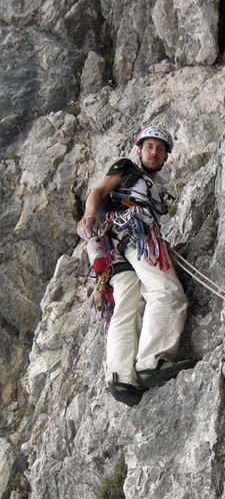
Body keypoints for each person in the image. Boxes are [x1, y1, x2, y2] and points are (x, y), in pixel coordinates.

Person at [77, 126, 195, 406]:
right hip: (131, 232)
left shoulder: (155, 189)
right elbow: (99, 190)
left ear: (165, 157)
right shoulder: (127, 168)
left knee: (126, 304)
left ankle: (121, 378)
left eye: (160, 149)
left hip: (109, 245)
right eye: (149, 146)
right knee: (165, 292)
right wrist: (90, 215)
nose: (154, 152)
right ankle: (152, 361)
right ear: (139, 151)